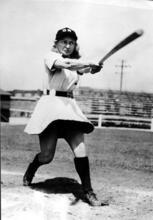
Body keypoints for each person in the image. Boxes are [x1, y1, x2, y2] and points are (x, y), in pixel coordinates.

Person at [23, 27, 105, 206]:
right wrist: (90, 62)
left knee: (81, 151)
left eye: (71, 43)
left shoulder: (77, 62)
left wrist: (94, 67)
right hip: (50, 108)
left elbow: (85, 69)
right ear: (57, 44)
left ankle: (88, 191)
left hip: (70, 108)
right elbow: (67, 64)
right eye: (64, 42)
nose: (68, 46)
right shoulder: (51, 57)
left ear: (75, 45)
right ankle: (32, 168)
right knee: (47, 156)